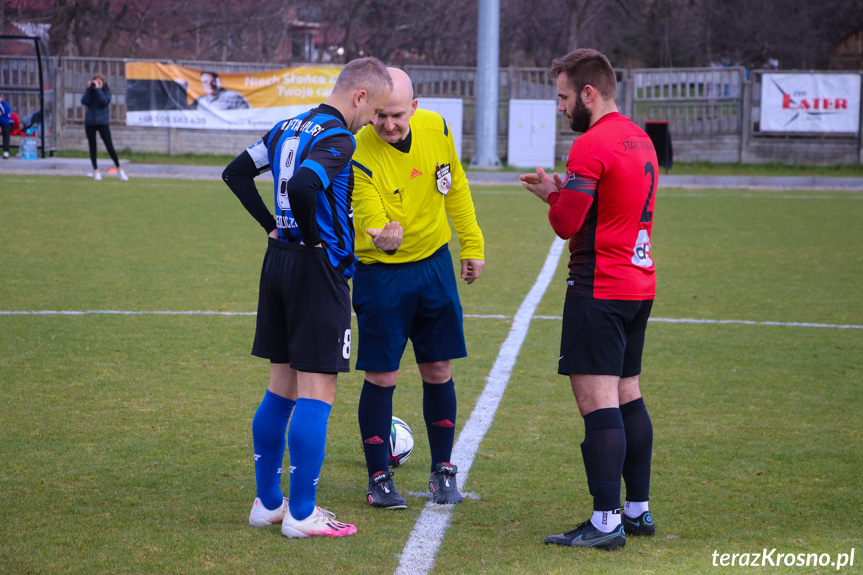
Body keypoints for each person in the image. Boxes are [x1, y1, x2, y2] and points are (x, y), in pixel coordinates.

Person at [221, 57, 392, 539]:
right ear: (359, 96)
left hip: (277, 262)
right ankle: (301, 513)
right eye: (375, 110)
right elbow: (303, 184)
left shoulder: (284, 126)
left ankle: (268, 503)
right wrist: (316, 240)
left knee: (281, 387)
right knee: (318, 392)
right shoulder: (339, 136)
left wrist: (273, 226)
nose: (374, 121)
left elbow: (235, 174)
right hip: (316, 273)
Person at [520, 48, 658, 551]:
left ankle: (605, 524)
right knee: (628, 395)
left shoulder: (590, 145)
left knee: (598, 404)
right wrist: (567, 190)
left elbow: (566, 224)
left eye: (562, 96)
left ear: (588, 93)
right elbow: (610, 204)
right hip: (639, 283)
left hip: (599, 288)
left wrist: (551, 195)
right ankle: (636, 511)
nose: (559, 107)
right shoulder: (640, 138)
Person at [351, 67, 485, 509]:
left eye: (396, 116)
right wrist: (378, 233)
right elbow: (365, 207)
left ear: (415, 107)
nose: (388, 125)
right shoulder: (358, 149)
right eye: (379, 116)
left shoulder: (437, 128)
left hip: (434, 268)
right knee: (382, 376)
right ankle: (378, 478)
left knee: (439, 370)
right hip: (382, 274)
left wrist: (473, 244)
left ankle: (443, 472)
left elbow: (456, 187)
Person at [81, 73, 128, 181]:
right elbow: (84, 101)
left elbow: (104, 102)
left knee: (110, 147)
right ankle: (96, 171)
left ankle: (120, 170)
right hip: (90, 123)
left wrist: (98, 89)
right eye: (95, 82)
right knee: (92, 147)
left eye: (99, 82)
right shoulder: (90, 91)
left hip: (102, 123)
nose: (97, 84)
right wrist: (89, 89)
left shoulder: (106, 91)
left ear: (103, 83)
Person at [0, 92, 12, 159]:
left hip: (7, 124)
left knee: (5, 129)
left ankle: (6, 152)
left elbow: (6, 122)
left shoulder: (5, 106)